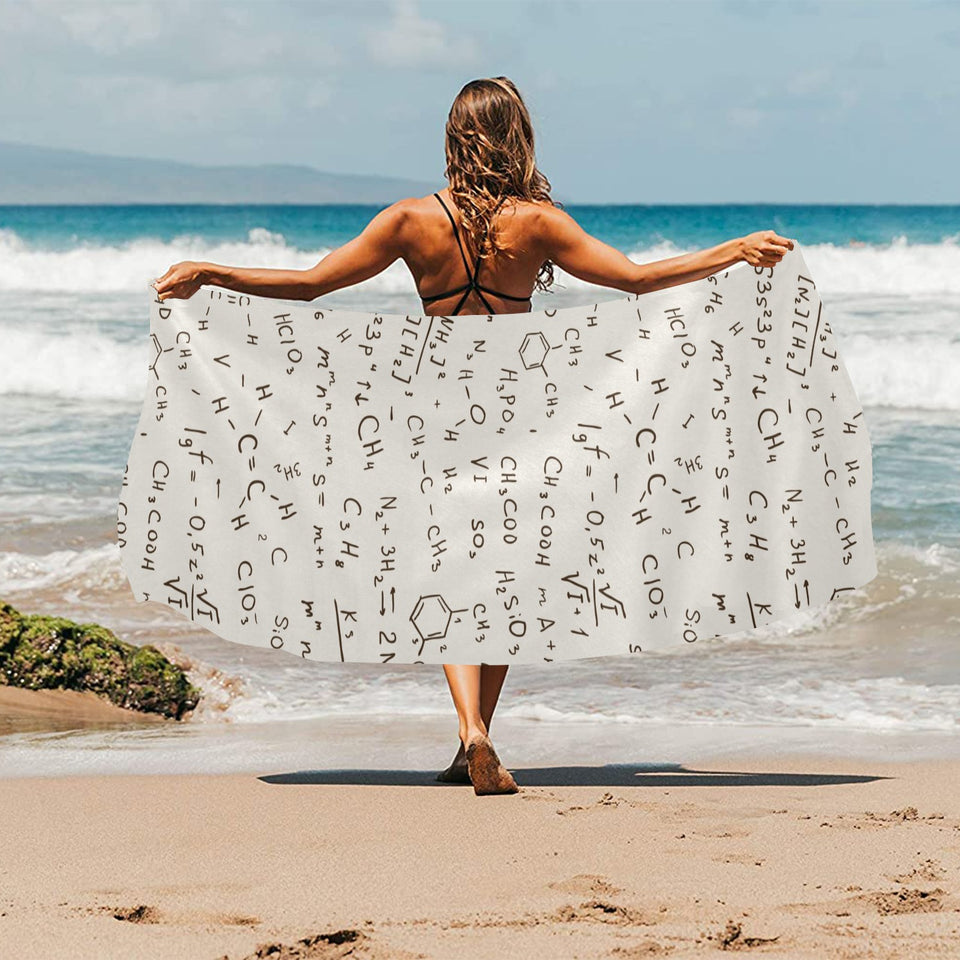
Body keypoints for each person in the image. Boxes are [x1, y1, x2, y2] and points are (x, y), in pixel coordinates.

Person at [153, 76, 794, 796]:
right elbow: (637, 281)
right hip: (519, 412)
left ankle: (471, 735)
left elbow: (310, 285)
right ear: (518, 137)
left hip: (434, 412)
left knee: (450, 569)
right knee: (503, 574)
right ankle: (477, 734)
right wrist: (734, 249)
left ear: (455, 137)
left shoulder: (408, 220)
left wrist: (211, 272)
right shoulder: (539, 223)